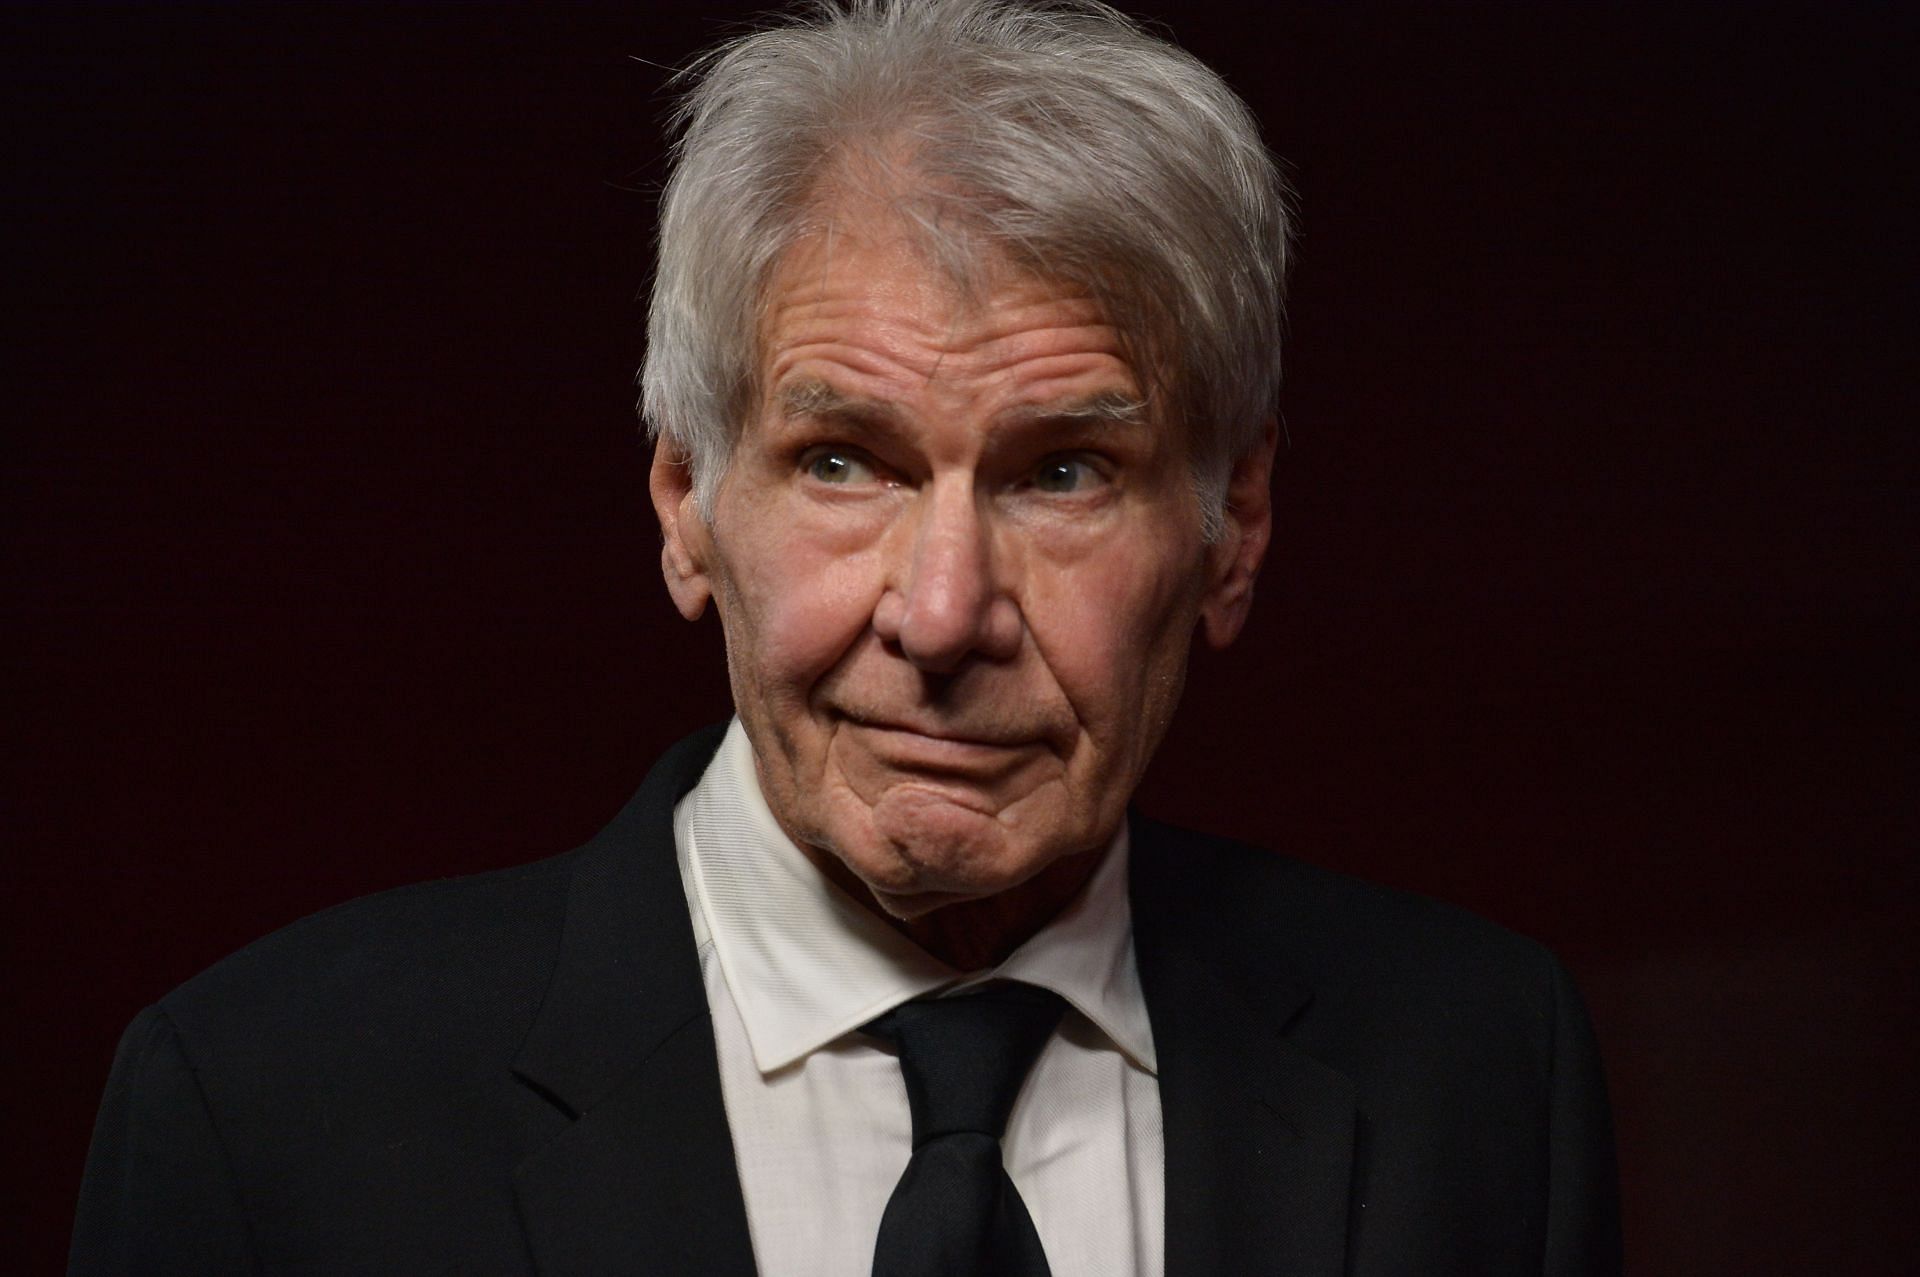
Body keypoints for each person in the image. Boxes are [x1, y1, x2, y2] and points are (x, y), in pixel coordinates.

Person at [71, 1, 1620, 1272]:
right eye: (843, 461)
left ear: (1237, 526)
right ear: (685, 500)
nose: (942, 613)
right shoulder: (265, 1114)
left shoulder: (1478, 1073)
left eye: (1064, 470)